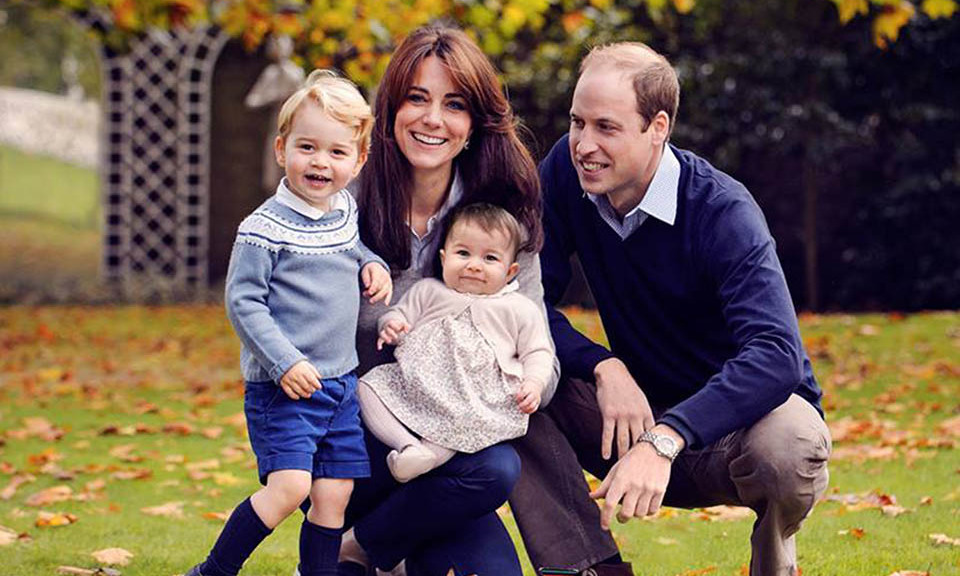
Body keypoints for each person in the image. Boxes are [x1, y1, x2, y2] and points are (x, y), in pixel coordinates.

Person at [509, 42, 831, 576]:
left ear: (657, 126)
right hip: (627, 418)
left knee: (791, 443)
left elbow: (777, 355)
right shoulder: (566, 176)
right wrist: (602, 364)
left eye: (606, 127)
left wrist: (667, 437)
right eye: (576, 122)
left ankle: (774, 563)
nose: (584, 145)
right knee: (506, 369)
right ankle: (588, 567)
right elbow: (520, 299)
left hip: (733, 435)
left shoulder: (722, 211)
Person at [335, 24, 557, 576]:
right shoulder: (343, 201)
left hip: (459, 451)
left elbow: (540, 355)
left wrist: (506, 385)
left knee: (496, 471)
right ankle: (366, 540)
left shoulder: (501, 220)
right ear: (390, 109)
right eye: (417, 98)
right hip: (358, 441)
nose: (432, 119)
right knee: (485, 469)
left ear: (473, 125)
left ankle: (356, 550)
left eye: (453, 104)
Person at [187, 70, 392, 576]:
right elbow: (244, 303)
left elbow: (351, 249)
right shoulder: (261, 229)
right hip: (286, 388)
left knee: (334, 494)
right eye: (307, 147)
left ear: (359, 160)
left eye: (337, 152)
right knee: (290, 488)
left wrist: (372, 263)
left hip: (340, 385)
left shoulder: (343, 209)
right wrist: (284, 362)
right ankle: (212, 571)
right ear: (282, 149)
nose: (320, 162)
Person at [358, 203, 554, 483]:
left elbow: (538, 351)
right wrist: (391, 325)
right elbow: (399, 315)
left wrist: (534, 383)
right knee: (366, 388)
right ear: (443, 257)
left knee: (462, 423)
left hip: (475, 396)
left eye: (489, 258)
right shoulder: (429, 291)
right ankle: (408, 446)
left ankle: (427, 456)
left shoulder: (518, 308)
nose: (474, 265)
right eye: (463, 253)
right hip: (418, 384)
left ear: (510, 272)